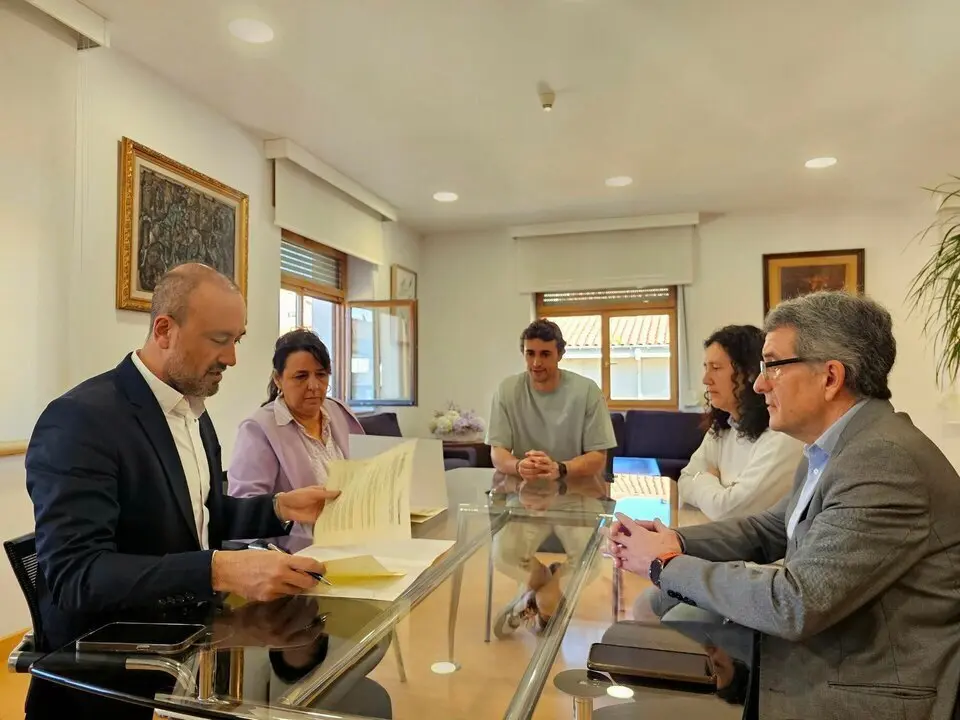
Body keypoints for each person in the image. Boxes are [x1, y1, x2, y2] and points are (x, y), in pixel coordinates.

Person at [608, 291, 960, 719]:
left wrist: (664, 564)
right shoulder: (837, 447)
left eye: (772, 365)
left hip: (865, 693)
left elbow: (795, 603)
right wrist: (676, 540)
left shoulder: (883, 460)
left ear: (830, 377)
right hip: (823, 658)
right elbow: (770, 529)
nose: (759, 384)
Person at [25, 264, 339, 720]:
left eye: (238, 340)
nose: (232, 358)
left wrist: (278, 508)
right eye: (219, 339)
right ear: (164, 330)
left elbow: (199, 515)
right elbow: (75, 576)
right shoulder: (80, 420)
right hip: (109, 683)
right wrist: (218, 570)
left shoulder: (194, 411)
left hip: (190, 658)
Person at [487, 319, 617, 636]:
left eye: (545, 354)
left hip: (578, 493)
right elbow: (497, 452)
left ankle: (536, 599)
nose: (536, 362)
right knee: (502, 555)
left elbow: (598, 457)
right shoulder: (507, 390)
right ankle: (546, 591)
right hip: (523, 494)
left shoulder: (586, 391)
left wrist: (560, 468)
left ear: (560, 354)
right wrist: (518, 465)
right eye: (530, 353)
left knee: (591, 562)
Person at [229, 329, 364, 552]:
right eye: (301, 376)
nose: (314, 385)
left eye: (321, 375)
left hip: (358, 538)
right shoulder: (258, 429)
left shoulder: (339, 412)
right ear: (278, 379)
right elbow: (245, 510)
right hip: (300, 553)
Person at [678, 325, 802, 520]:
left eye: (716, 368)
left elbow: (729, 511)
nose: (706, 379)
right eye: (705, 367)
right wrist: (718, 492)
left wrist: (704, 479)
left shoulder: (782, 436)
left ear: (750, 373)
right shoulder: (723, 427)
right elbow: (684, 481)